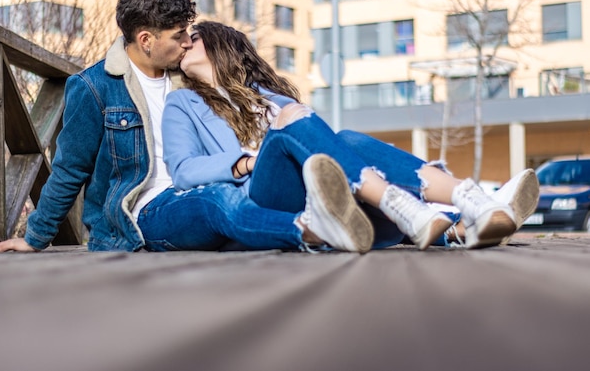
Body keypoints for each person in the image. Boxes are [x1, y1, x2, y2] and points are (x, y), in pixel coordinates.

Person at [0, 0, 374, 254]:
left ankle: (408, 213)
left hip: (225, 186)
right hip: (147, 214)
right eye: (179, 35)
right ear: (145, 40)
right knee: (216, 201)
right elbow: (70, 168)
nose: (189, 41)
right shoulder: (94, 87)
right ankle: (313, 231)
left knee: (340, 145)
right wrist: (35, 237)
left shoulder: (188, 76)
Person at [162, 21, 540, 250]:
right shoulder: (183, 104)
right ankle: (456, 205)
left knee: (349, 140)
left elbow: (330, 154)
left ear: (219, 46)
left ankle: (465, 216)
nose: (182, 44)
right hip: (267, 196)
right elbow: (184, 170)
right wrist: (247, 161)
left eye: (191, 38)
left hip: (327, 200)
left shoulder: (273, 98)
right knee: (303, 131)